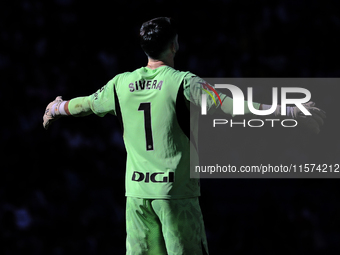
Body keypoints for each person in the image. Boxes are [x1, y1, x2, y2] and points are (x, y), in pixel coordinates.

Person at [43, 17, 325, 255]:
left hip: (137, 196)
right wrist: (289, 109)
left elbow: (86, 105)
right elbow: (232, 106)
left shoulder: (121, 83)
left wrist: (56, 107)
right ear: (175, 44)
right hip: (175, 195)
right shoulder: (185, 82)